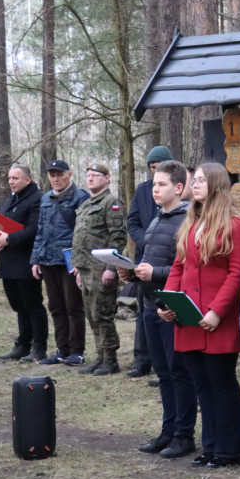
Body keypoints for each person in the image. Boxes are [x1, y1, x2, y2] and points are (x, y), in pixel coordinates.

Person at [162, 162, 240, 469]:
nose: (194, 184)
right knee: (201, 383)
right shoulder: (191, 220)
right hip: (188, 317)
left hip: (217, 319)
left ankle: (230, 449)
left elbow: (238, 273)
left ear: (215, 184)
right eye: (194, 180)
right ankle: (211, 447)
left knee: (221, 382)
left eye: (200, 180)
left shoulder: (237, 224)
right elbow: (179, 266)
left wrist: (216, 312)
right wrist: (170, 301)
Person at [118, 160, 198, 459]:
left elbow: (188, 268)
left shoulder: (186, 221)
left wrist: (155, 273)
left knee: (179, 373)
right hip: (149, 306)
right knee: (163, 373)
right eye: (153, 184)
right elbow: (151, 262)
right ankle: (168, 431)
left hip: (173, 309)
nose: (155, 189)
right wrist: (131, 272)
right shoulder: (155, 221)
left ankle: (183, 435)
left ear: (178, 188)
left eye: (161, 184)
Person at [30, 160, 89, 367]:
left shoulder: (81, 197)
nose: (55, 179)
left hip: (69, 261)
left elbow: (85, 233)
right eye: (52, 175)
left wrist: (81, 262)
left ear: (69, 174)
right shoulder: (46, 198)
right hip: (48, 260)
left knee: (73, 306)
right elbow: (40, 231)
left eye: (59, 175)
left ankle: (76, 351)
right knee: (55, 307)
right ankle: (62, 350)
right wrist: (36, 259)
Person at [70, 163, 128, 376]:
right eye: (88, 175)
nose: (91, 178)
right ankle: (100, 357)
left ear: (107, 178)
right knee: (92, 315)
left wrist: (111, 268)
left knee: (103, 314)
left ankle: (111, 359)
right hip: (85, 268)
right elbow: (81, 236)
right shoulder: (87, 204)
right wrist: (77, 268)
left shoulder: (111, 203)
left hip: (101, 268)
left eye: (96, 175)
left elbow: (118, 237)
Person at [125, 146, 173, 378]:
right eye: (152, 169)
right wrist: (145, 240)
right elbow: (132, 220)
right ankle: (141, 359)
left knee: (163, 310)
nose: (155, 174)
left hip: (165, 263)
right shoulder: (143, 190)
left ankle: (160, 364)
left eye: (159, 169)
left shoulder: (175, 193)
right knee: (143, 310)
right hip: (143, 257)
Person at [0, 165, 46, 363]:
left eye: (15, 178)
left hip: (27, 261)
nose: (11, 182)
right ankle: (23, 345)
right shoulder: (9, 200)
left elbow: (34, 230)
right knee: (18, 306)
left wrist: (10, 239)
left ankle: (39, 347)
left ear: (27, 180)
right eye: (9, 178)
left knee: (32, 305)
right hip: (8, 262)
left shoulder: (37, 199)